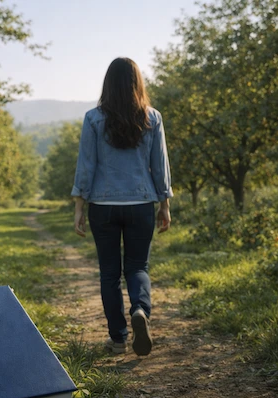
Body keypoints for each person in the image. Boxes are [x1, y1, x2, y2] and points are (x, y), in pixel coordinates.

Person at [71, 57, 173, 357]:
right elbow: (160, 165)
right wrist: (164, 203)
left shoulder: (93, 118)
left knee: (109, 274)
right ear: (137, 82)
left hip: (103, 206)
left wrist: (79, 205)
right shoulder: (152, 117)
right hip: (141, 203)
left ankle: (118, 338)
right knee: (138, 266)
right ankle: (140, 309)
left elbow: (86, 166)